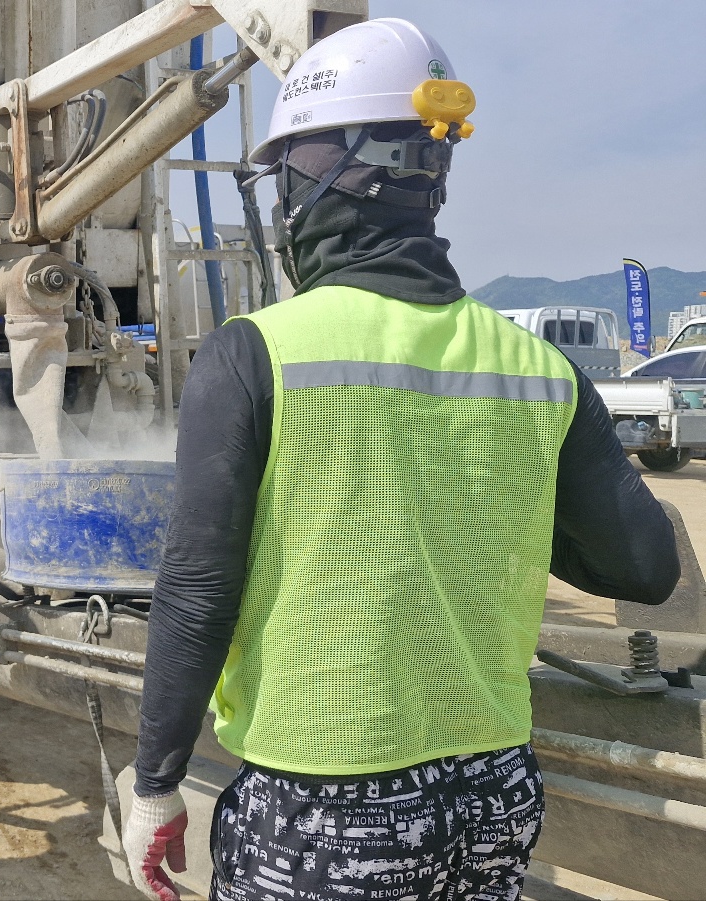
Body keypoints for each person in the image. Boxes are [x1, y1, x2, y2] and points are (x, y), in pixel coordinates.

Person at [120, 19, 681, 901]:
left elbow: (197, 594)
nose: (284, 201)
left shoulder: (253, 353)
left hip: (323, 801)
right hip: (490, 793)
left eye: (287, 173)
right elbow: (644, 565)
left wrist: (155, 783)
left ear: (331, 174)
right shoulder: (540, 369)